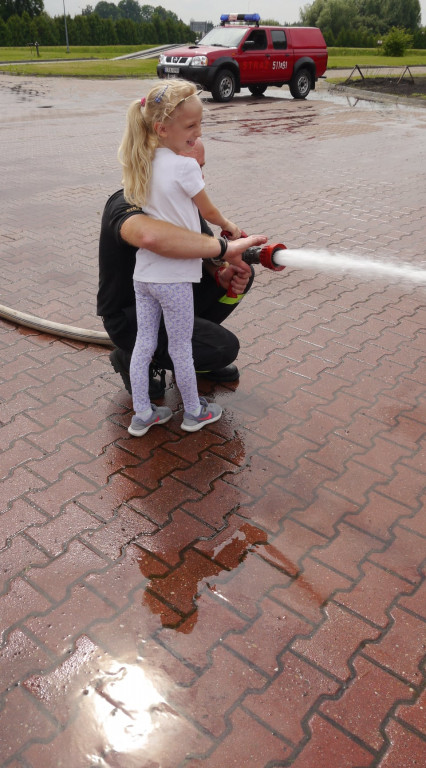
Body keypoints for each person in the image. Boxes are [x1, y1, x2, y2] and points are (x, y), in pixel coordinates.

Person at [118, 79, 249, 435]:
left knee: (145, 344)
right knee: (180, 347)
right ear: (163, 128)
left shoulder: (142, 163)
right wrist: (231, 228)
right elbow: (208, 212)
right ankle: (193, 412)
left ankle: (143, 413)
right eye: (191, 126)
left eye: (199, 125)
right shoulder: (184, 167)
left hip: (143, 277)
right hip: (173, 279)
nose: (197, 133)